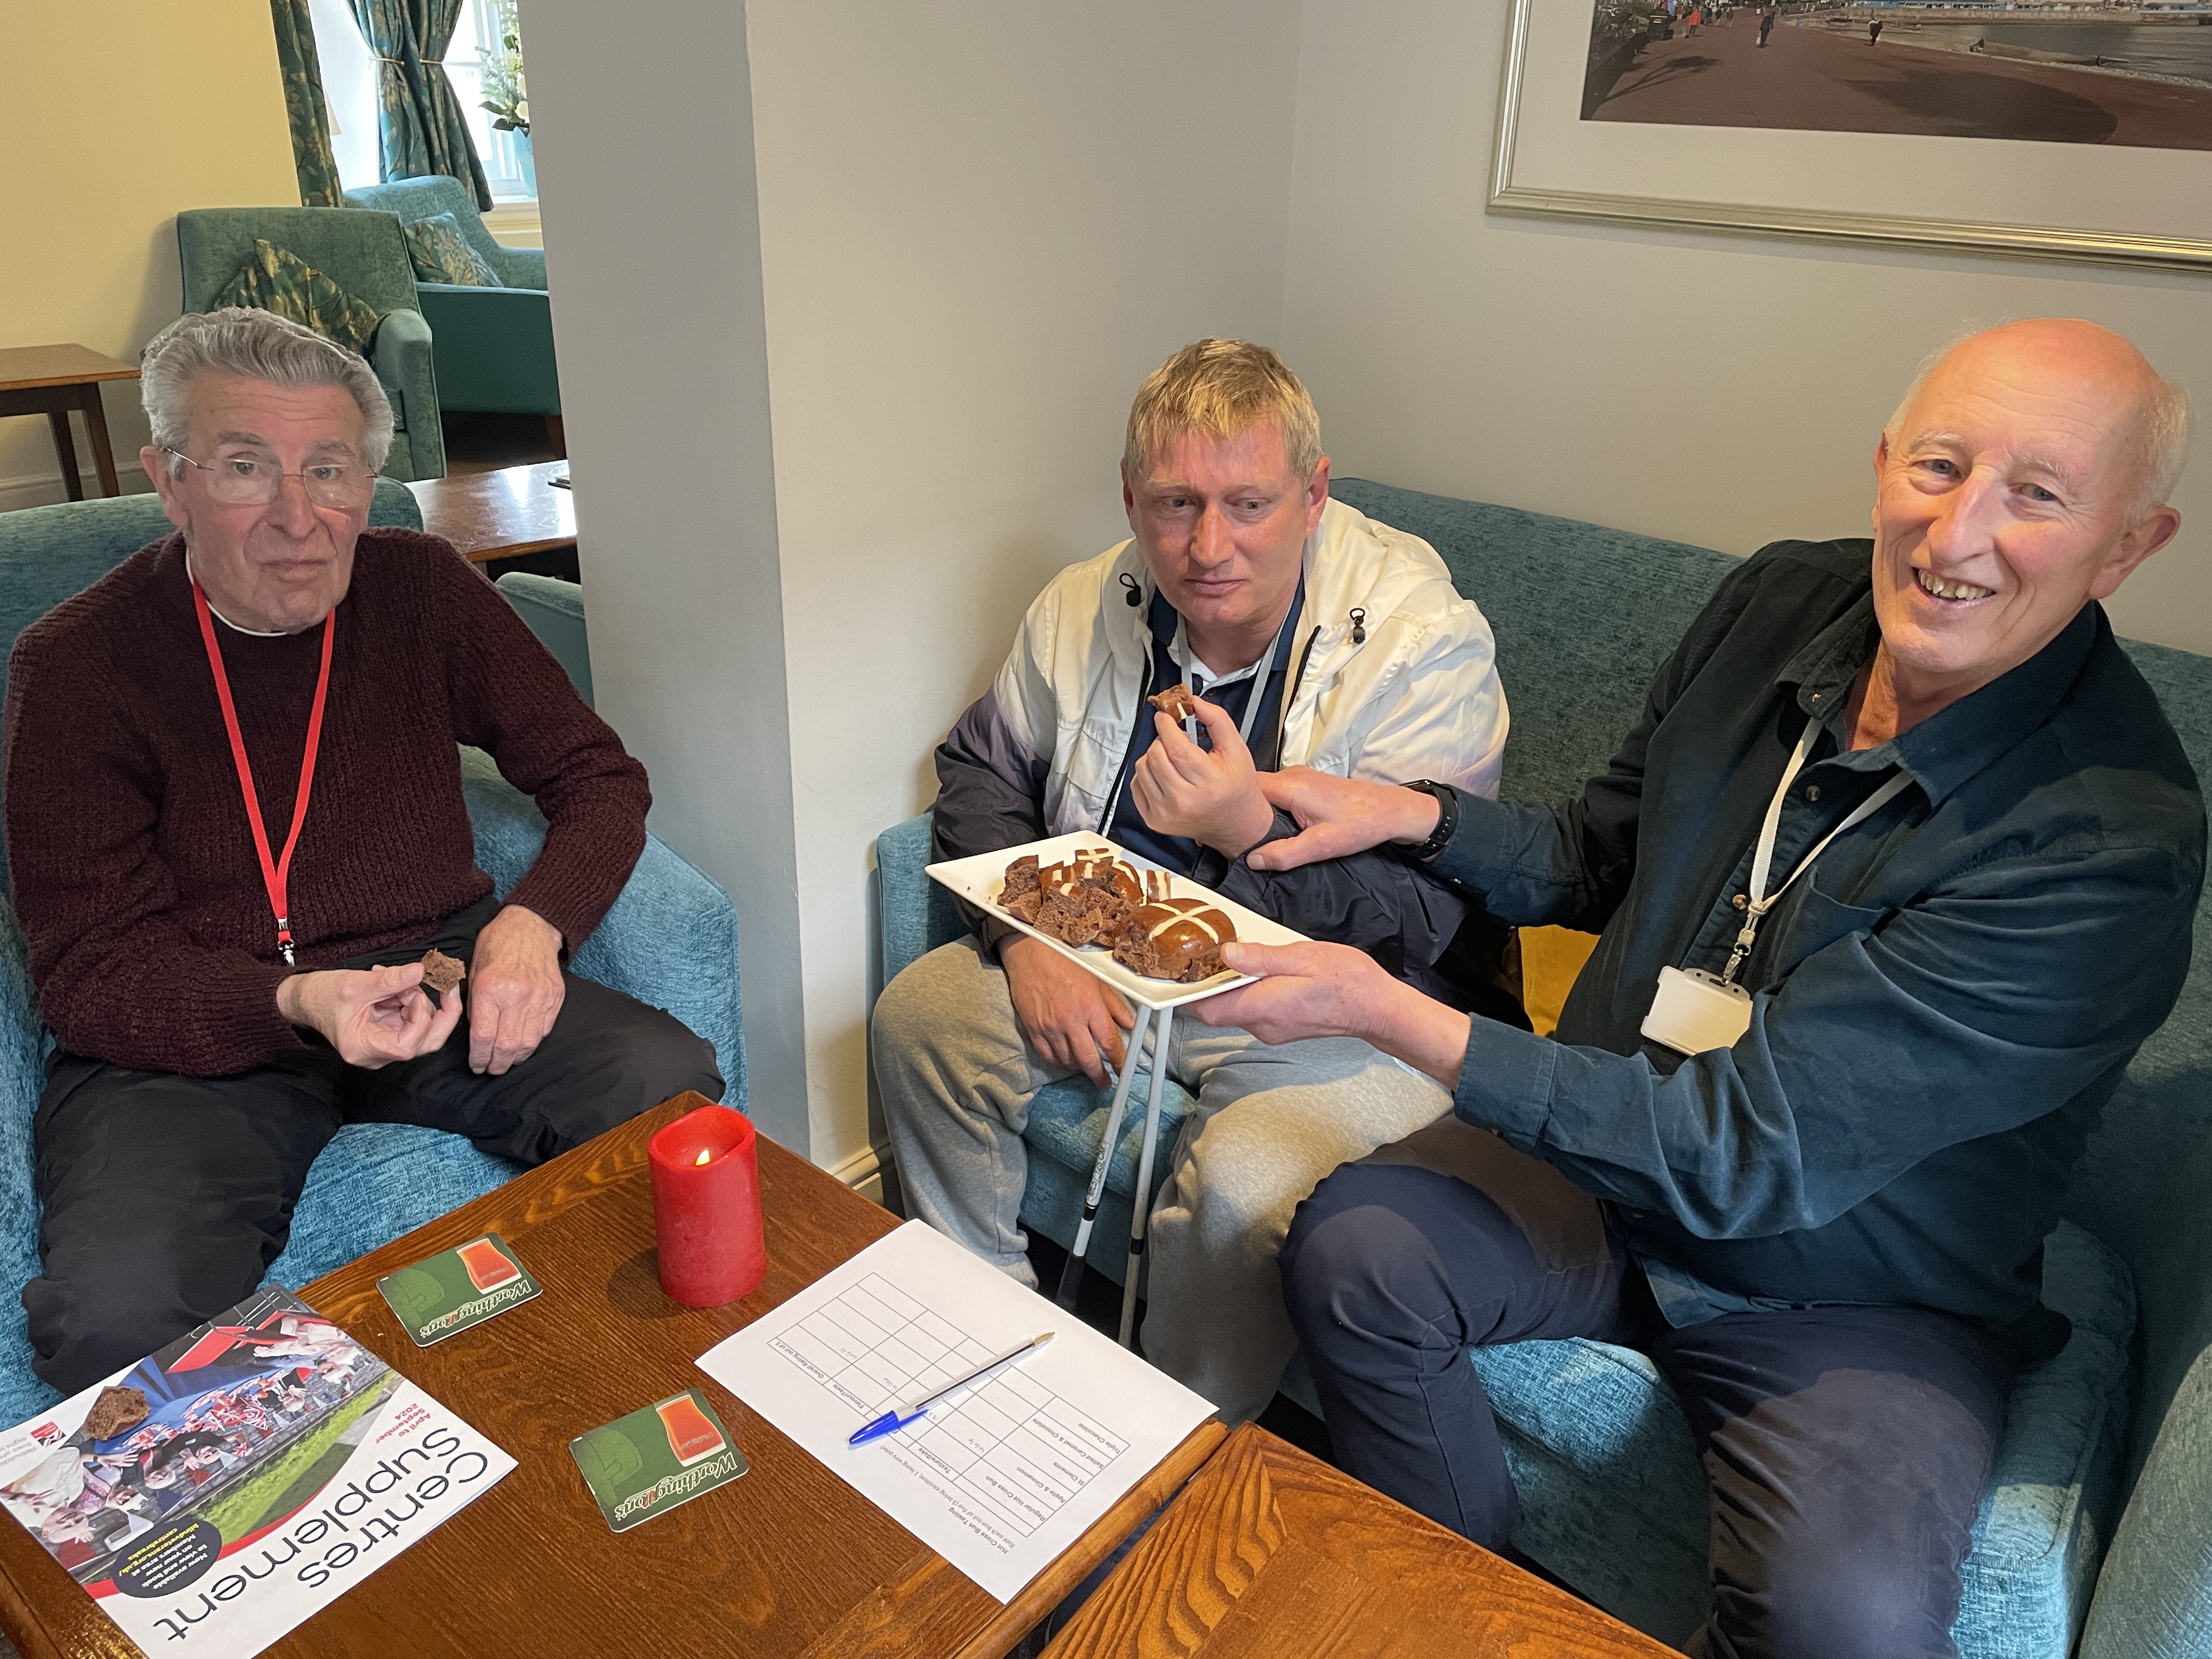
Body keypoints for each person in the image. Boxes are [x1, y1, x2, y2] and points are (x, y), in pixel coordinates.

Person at [1196, 319, 2202, 1658]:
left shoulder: (2108, 837)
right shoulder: (1781, 603)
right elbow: (1597, 855)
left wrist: (1387, 1010)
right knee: (1358, 1249)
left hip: (1858, 1283)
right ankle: (1452, 1618)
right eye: (1941, 468)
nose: (1957, 538)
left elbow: (1748, 1152)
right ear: (1884, 463)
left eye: (2038, 495)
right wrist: (1406, 815)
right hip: (1604, 1168)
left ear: (2130, 546)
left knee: (1850, 1618)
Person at [3, 307, 724, 1395]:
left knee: (663, 1088)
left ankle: (619, 1387)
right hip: (197, 1034)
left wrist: (534, 928)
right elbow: (91, 973)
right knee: (117, 1321)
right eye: (248, 469)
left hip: (433, 965)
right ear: (171, 481)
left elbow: (596, 777)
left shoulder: (424, 589)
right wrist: (295, 1005)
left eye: (329, 470)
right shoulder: (73, 669)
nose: (301, 518)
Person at [873, 338, 1511, 1420]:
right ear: (1130, 499)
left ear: (1314, 496)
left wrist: (1249, 821)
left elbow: (1429, 920)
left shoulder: (1424, 645)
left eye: (1248, 503)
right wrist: (1026, 942)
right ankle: (982, 1366)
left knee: (1247, 1184)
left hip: (1343, 1011)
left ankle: (1168, 1447)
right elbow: (980, 772)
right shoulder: (1087, 602)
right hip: (1116, 945)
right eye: (1174, 504)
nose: (1208, 546)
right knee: (922, 1018)